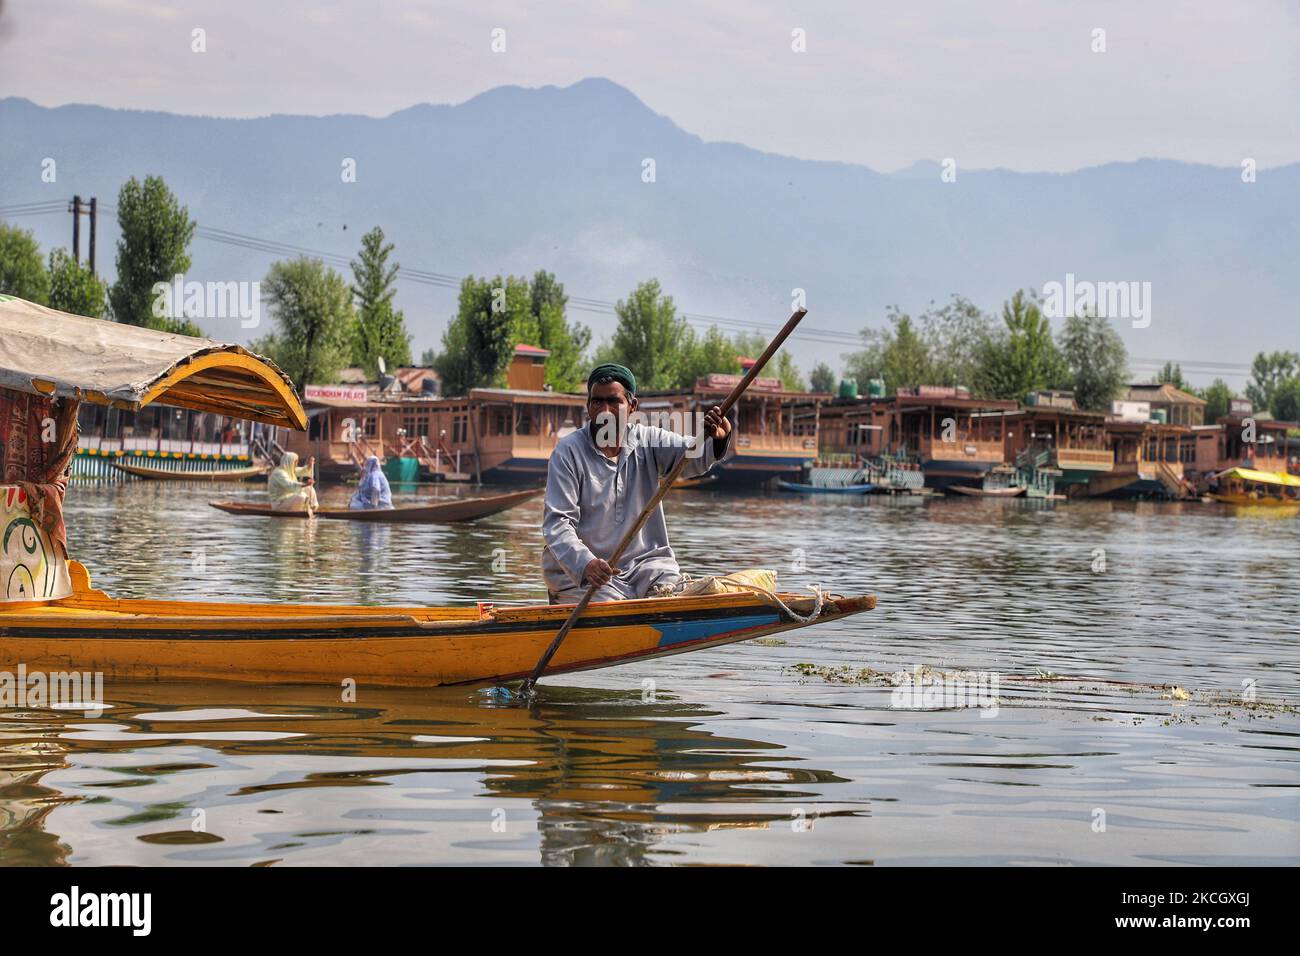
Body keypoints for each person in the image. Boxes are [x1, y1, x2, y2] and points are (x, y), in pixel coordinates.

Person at [542, 363, 733, 603]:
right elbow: (557, 524)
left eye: (614, 402)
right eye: (597, 402)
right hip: (583, 574)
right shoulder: (567, 452)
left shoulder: (649, 440)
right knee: (610, 606)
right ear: (588, 407)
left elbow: (692, 455)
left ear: (632, 406)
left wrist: (718, 438)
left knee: (670, 593)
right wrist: (586, 563)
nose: (605, 411)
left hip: (646, 567)